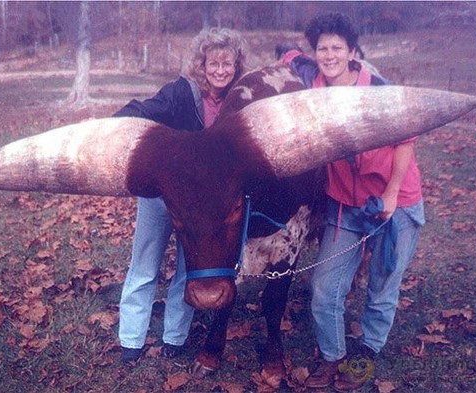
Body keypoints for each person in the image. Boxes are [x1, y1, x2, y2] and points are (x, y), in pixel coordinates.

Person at [282, 12, 424, 391]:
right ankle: (333, 357)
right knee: (324, 289)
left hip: (395, 204)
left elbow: (406, 139)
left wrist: (392, 193)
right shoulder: (309, 78)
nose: (329, 55)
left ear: (351, 51)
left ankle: (367, 350)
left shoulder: (377, 87)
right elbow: (289, 57)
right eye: (322, 48)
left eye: (337, 48)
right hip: (344, 205)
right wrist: (285, 58)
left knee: (381, 285)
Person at [113, 28, 249, 363]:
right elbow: (140, 110)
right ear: (201, 66)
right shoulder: (180, 93)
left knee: (191, 267)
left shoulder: (241, 101)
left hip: (207, 207)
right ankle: (131, 340)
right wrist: (111, 130)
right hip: (163, 196)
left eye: (227, 64)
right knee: (145, 263)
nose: (220, 70)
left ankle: (175, 337)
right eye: (212, 63)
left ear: (237, 66)